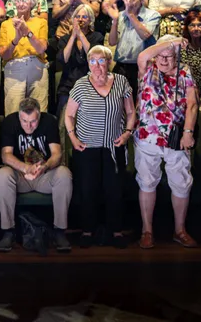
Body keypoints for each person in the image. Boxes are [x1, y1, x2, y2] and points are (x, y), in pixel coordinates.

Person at [64, 46, 135, 248]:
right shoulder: (80, 84)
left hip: (115, 145)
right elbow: (69, 115)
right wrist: (72, 137)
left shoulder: (121, 82)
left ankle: (116, 231)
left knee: (115, 190)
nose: (97, 65)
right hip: (87, 147)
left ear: (109, 62)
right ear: (88, 64)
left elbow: (131, 112)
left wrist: (127, 132)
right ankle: (87, 231)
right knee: (88, 190)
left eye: (101, 60)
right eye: (92, 61)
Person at [134, 35, 199, 249]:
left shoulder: (185, 72)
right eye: (160, 55)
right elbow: (143, 55)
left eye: (169, 56)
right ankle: (147, 231)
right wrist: (171, 43)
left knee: (181, 183)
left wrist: (188, 132)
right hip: (147, 136)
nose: (163, 60)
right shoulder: (148, 68)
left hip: (176, 137)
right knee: (147, 182)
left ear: (177, 57)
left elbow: (192, 105)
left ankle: (180, 230)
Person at [0, 98, 73, 253]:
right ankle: (8, 231)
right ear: (19, 116)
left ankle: (59, 230)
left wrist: (44, 167)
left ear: (39, 115)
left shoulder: (49, 121)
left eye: (33, 121)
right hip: (21, 175)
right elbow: (6, 155)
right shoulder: (10, 122)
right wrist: (26, 168)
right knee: (2, 175)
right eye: (24, 121)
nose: (28, 126)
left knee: (64, 174)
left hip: (44, 174)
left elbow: (57, 154)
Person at [0, 0, 49, 114]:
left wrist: (28, 32)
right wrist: (16, 39)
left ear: (32, 2)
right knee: (13, 111)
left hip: (37, 68)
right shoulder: (6, 24)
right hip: (14, 69)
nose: (21, 4)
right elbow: (4, 55)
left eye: (25, 0)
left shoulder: (41, 22)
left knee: (39, 110)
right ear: (14, 3)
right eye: (18, 0)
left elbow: (41, 48)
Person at [106, 0, 161, 96]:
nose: (129, 3)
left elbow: (145, 35)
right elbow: (112, 42)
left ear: (142, 0)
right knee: (119, 101)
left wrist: (131, 15)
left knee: (140, 101)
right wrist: (115, 21)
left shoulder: (153, 15)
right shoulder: (120, 15)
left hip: (142, 68)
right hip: (121, 67)